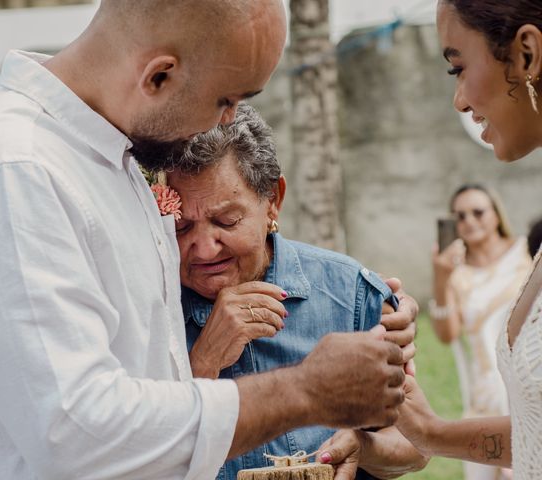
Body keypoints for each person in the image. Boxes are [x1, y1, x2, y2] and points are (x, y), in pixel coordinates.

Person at [0, 1, 407, 479]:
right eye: (225, 100)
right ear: (158, 75)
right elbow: (76, 434)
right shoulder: (14, 170)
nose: (228, 121)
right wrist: (303, 391)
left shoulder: (107, 163)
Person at [167, 103, 425, 480]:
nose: (204, 248)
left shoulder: (348, 293)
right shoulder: (148, 306)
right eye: (181, 227)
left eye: (227, 221)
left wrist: (363, 446)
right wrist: (203, 364)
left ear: (273, 198)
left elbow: (417, 445)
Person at [396, 1, 542, 478]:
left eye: (458, 67)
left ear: (526, 54)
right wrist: (428, 431)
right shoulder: (457, 272)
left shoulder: (522, 252)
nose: (458, 101)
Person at [430, 184, 531, 479]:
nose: (469, 221)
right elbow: (447, 334)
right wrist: (441, 278)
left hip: (531, 374)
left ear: (496, 214)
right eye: (460, 216)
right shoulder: (455, 273)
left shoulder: (527, 252)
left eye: (478, 212)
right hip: (488, 388)